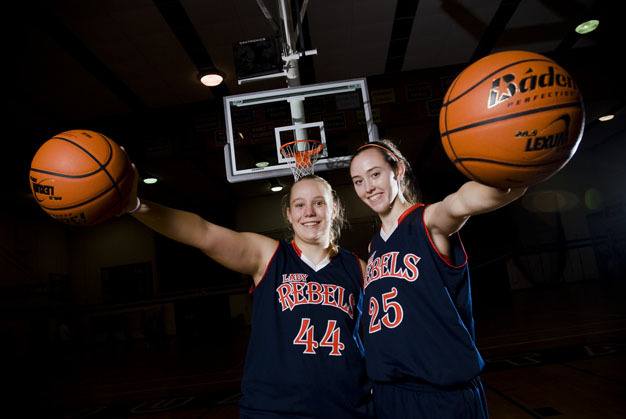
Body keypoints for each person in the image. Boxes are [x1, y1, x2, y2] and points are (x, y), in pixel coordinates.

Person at [123, 170, 374, 419]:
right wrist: (137, 205)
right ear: (288, 214)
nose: (309, 212)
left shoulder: (357, 268)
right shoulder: (268, 256)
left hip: (346, 408)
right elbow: (203, 233)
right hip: (274, 410)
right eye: (299, 205)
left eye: (319, 203)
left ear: (335, 209)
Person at [349, 140, 527, 419]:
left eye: (375, 174)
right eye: (358, 181)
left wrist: (514, 173)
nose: (368, 187)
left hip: (441, 395)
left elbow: (461, 202)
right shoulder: (374, 248)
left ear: (398, 170)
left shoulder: (427, 221)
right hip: (389, 394)